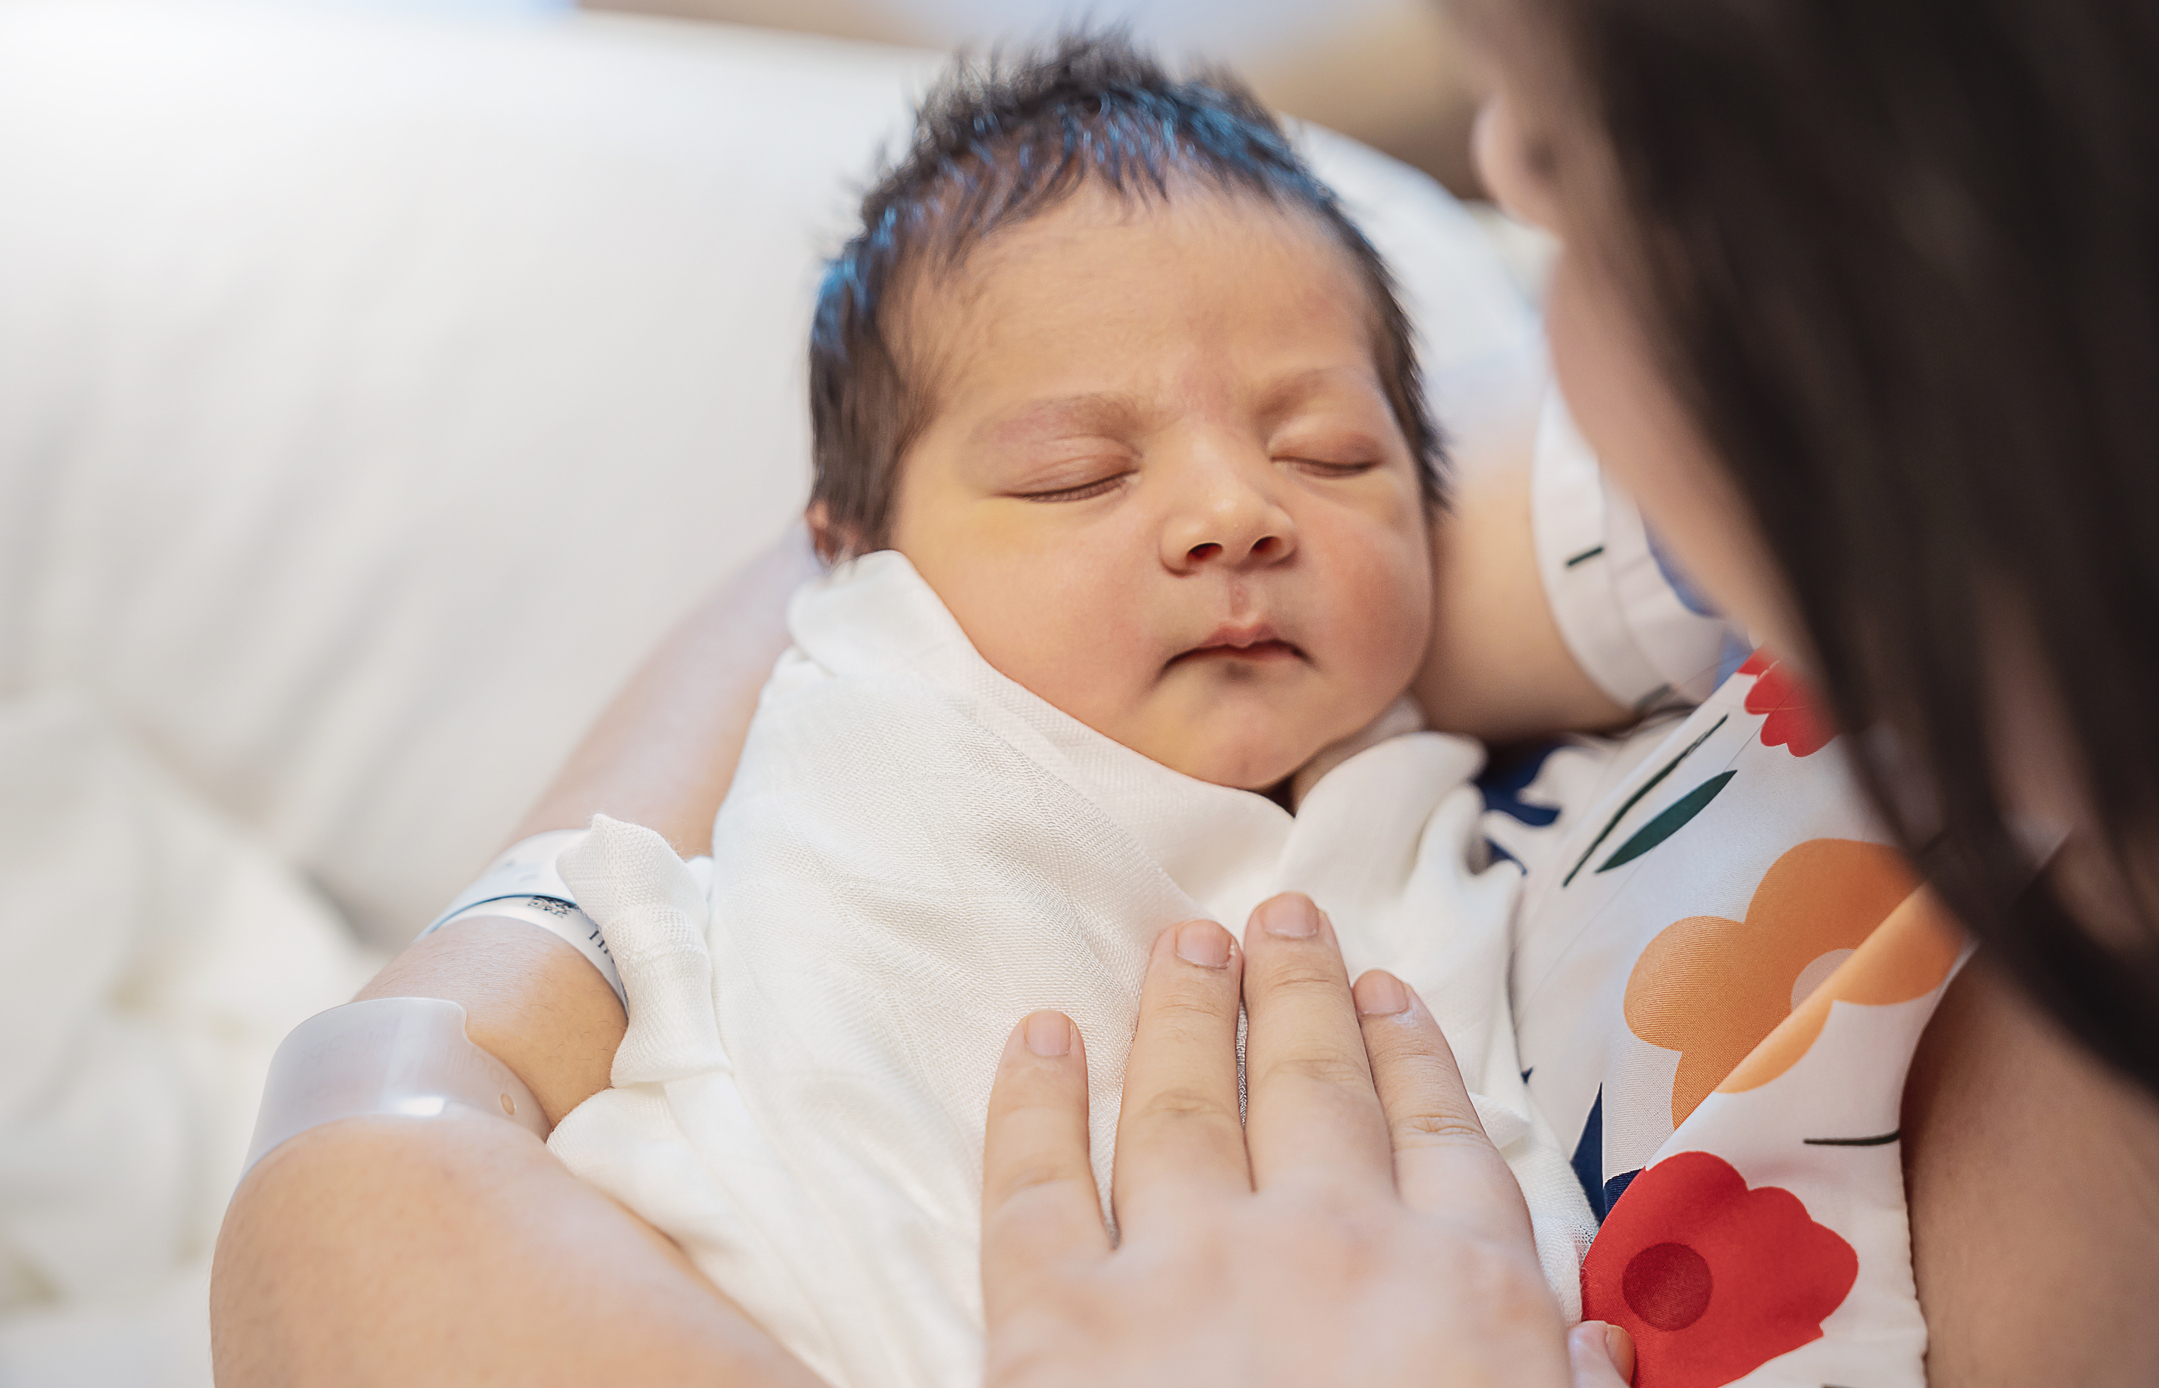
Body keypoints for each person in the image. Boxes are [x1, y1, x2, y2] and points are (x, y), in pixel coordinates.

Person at [210, 1, 2159, 1386]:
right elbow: (842, 577)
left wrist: (400, 1115)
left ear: (1902, 284)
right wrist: (405, 1099)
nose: (1235, 515)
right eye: (1085, 473)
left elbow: (362, 1204)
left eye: (1552, 184)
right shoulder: (1747, 517)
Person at [529, 39, 1608, 1387]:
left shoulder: (1414, 775)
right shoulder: (886, 720)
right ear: (857, 554)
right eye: (1075, 477)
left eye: (1327, 452)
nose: (1234, 515)